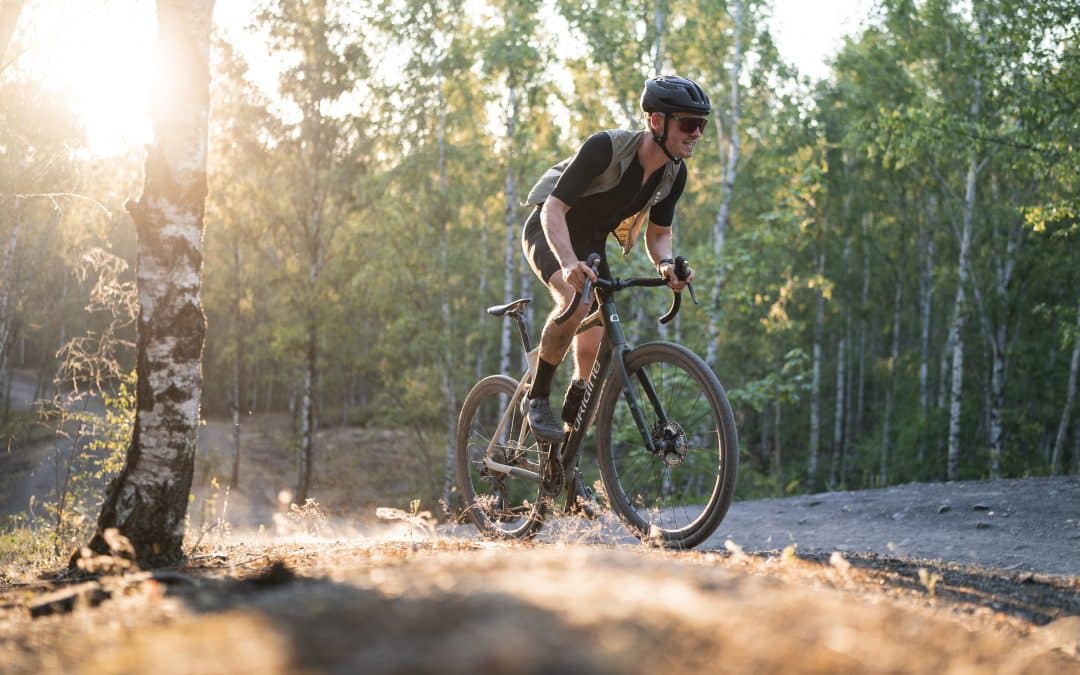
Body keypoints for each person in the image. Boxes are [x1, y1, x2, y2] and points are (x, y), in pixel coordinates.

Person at [520, 74, 706, 450]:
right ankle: (536, 397)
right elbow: (553, 208)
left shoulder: (674, 173)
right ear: (657, 121)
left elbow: (658, 235)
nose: (697, 133)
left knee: (594, 342)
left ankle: (566, 457)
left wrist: (666, 266)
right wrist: (569, 263)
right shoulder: (605, 148)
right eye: (688, 123)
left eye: (701, 125)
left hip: (591, 242)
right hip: (551, 228)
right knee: (577, 302)